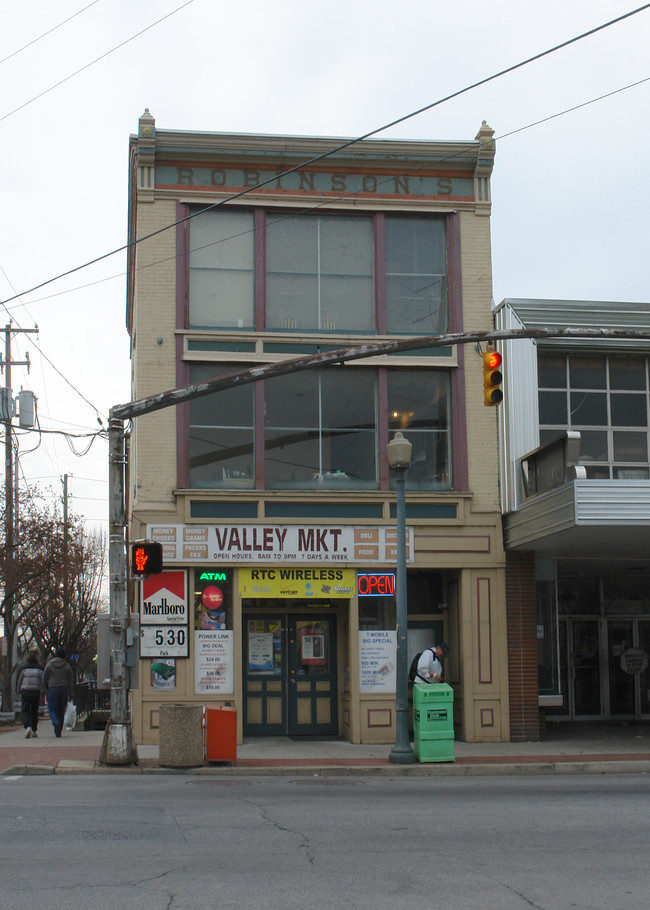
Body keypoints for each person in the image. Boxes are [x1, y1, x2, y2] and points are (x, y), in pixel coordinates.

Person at [41, 647, 75, 737]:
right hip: (64, 688)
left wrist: (43, 690)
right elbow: (71, 681)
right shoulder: (67, 666)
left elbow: (44, 678)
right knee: (61, 709)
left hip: (52, 688)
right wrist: (71, 694)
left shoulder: (49, 665)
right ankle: (58, 730)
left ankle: (55, 721)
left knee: (52, 708)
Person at [16, 644, 44, 738]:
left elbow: (19, 680)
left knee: (25, 709)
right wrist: (42, 692)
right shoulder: (40, 668)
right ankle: (34, 729)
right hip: (35, 692)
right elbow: (42, 681)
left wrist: (18, 690)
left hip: (25, 691)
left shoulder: (23, 667)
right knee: (34, 711)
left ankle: (27, 726)